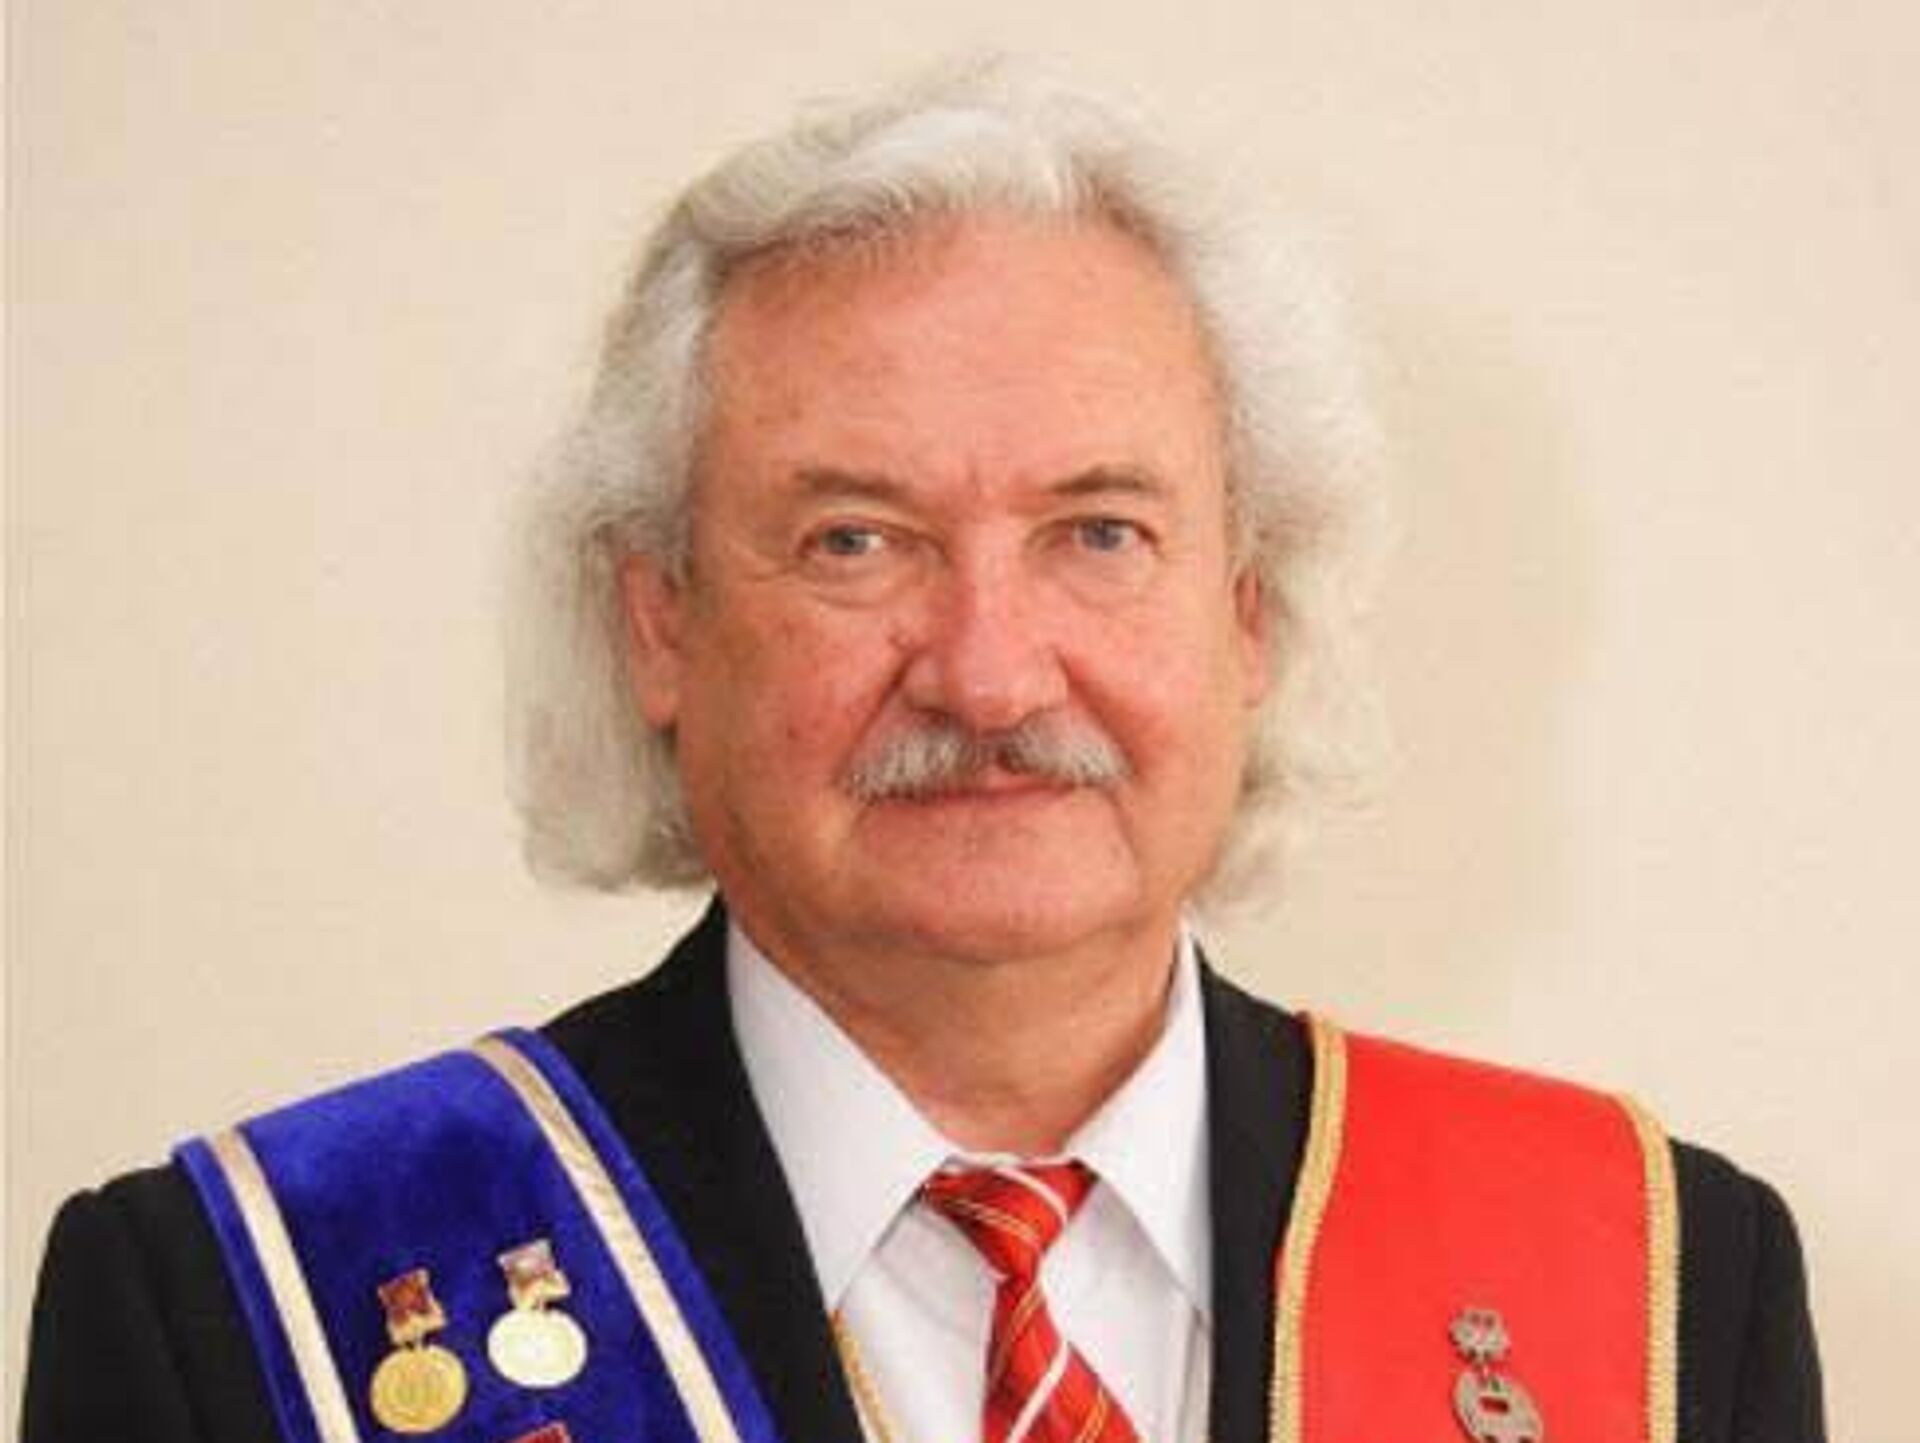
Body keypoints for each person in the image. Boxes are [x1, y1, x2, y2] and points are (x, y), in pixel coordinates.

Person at [22, 63, 1824, 1443]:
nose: (987, 671)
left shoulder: (1658, 1285)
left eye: (1100, 532)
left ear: (1248, 617)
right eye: (855, 541)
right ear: (660, 623)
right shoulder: (240, 1313)